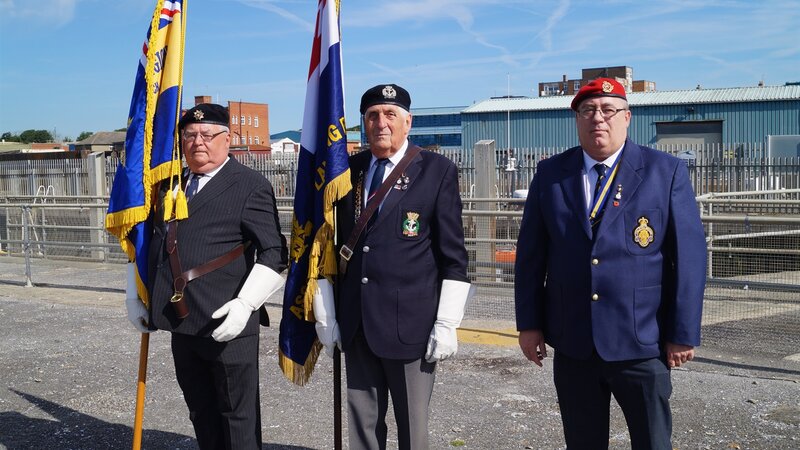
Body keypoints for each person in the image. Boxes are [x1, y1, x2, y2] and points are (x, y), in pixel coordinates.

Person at [514, 78, 706, 449]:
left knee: (652, 441)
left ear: (627, 117)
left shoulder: (663, 172)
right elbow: (532, 257)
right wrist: (530, 325)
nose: (597, 118)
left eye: (607, 110)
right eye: (587, 111)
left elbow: (689, 258)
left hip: (642, 340)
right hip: (574, 343)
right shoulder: (552, 174)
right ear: (577, 119)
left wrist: (682, 331)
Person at [312, 84, 473, 450]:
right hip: (357, 323)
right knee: (362, 426)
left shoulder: (436, 170)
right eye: (372, 116)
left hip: (411, 326)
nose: (380, 123)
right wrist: (328, 313)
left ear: (407, 122)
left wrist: (447, 323)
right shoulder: (347, 171)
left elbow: (454, 255)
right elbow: (326, 246)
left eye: (389, 115)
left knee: (412, 428)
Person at [124, 103, 288, 449]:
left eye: (208, 135)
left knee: (238, 417)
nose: (198, 142)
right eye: (189, 135)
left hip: (225, 321)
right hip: (180, 322)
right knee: (200, 411)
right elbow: (148, 241)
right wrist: (136, 293)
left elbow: (275, 252)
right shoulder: (169, 183)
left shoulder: (248, 185)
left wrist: (246, 304)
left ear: (227, 139)